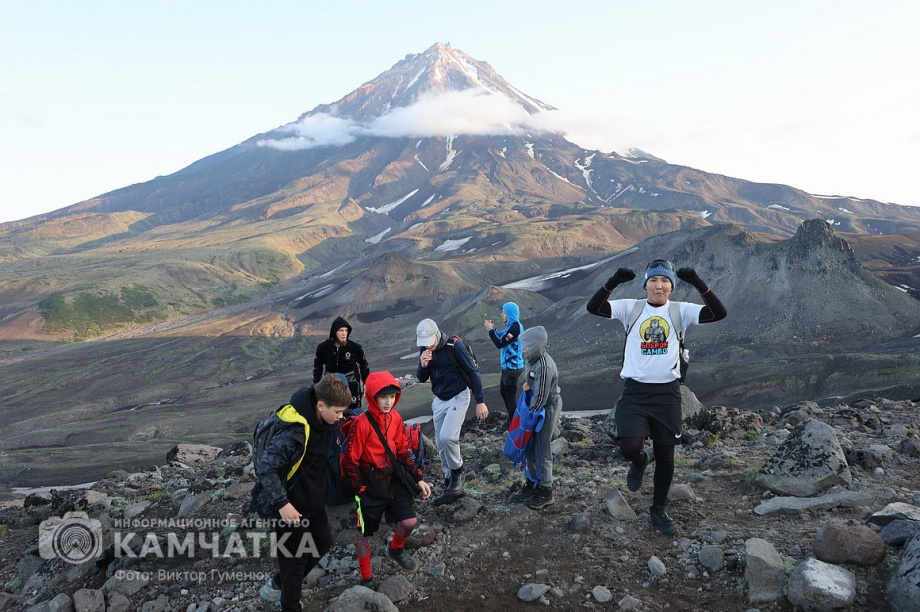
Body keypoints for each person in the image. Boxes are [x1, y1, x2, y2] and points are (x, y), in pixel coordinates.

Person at [586, 260, 726, 535]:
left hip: (667, 394)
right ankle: (639, 460)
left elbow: (718, 313)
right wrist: (614, 280)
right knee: (628, 447)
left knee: (666, 457)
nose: (659, 286)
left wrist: (697, 281)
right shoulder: (632, 308)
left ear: (671, 286)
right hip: (635, 392)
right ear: (646, 284)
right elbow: (595, 308)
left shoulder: (680, 311)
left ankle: (658, 510)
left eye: (665, 282)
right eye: (653, 281)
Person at [253, 374, 352, 612]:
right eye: (338, 412)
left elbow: (342, 417)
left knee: (323, 543)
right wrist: (282, 504)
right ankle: (289, 603)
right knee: (294, 562)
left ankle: (279, 583)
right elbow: (267, 469)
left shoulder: (325, 418)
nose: (341, 417)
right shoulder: (293, 433)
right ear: (320, 406)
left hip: (314, 501)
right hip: (290, 507)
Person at [340, 371, 432, 586]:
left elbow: (402, 452)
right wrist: (360, 489)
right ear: (373, 396)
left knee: (410, 521)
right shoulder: (361, 424)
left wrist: (418, 478)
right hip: (370, 485)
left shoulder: (396, 418)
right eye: (383, 397)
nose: (388, 402)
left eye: (392, 396)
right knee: (365, 534)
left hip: (392, 480)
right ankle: (366, 577)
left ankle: (396, 549)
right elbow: (350, 461)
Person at [415, 318, 489, 505]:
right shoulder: (425, 349)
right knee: (440, 442)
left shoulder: (454, 347)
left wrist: (480, 401)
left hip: (458, 396)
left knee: (448, 437)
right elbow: (422, 378)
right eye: (423, 344)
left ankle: (458, 472)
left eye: (429, 342)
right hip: (439, 399)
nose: (426, 347)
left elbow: (473, 373)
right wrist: (422, 365)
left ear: (437, 334)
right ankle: (450, 482)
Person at [511, 325, 562, 510]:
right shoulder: (531, 358)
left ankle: (546, 491)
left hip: (546, 409)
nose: (522, 349)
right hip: (536, 406)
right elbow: (531, 380)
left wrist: (528, 419)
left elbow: (540, 397)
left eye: (525, 346)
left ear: (535, 346)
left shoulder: (544, 366)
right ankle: (533, 483)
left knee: (542, 449)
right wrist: (527, 384)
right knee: (531, 447)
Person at [313, 317, 371, 413]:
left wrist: (366, 383)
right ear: (334, 332)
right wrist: (316, 384)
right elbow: (318, 366)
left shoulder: (354, 347)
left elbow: (364, 365)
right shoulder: (323, 348)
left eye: (346, 330)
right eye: (341, 330)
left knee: (354, 411)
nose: (344, 333)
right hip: (331, 384)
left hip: (352, 384)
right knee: (332, 409)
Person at [484, 302, 525, 425]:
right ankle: (512, 420)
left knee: (510, 398)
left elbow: (499, 343)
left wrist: (490, 330)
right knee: (504, 393)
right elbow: (501, 335)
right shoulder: (511, 326)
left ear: (510, 314)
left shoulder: (515, 328)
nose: (502, 314)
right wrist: (493, 329)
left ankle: (514, 423)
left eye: (504, 312)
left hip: (513, 368)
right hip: (508, 367)